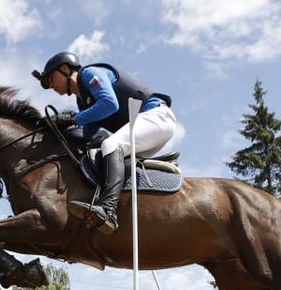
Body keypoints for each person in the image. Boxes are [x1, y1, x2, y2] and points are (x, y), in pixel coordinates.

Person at [33, 51, 176, 234]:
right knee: (100, 153)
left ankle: (107, 210)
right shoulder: (83, 103)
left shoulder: (90, 74)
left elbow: (109, 103)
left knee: (110, 145)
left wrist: (72, 118)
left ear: (66, 69)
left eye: (51, 79)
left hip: (156, 116)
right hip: (147, 129)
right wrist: (56, 130)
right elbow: (86, 135)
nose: (51, 86)